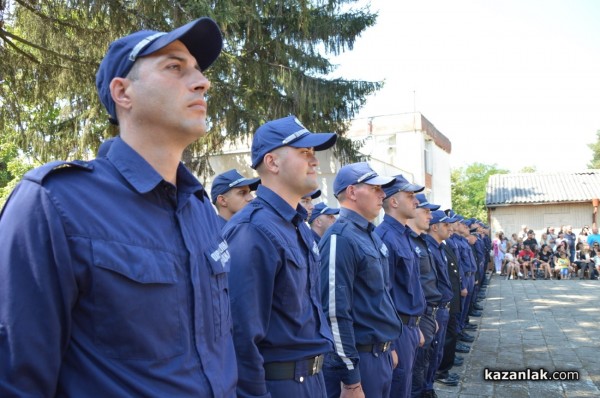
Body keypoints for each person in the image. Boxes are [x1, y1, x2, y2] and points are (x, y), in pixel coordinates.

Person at [0, 18, 238, 397]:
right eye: (175, 67)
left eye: (198, 71)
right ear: (123, 93)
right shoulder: (55, 202)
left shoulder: (201, 212)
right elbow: (16, 378)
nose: (201, 82)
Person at [222, 115, 336, 397]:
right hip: (279, 385)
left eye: (313, 153)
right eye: (304, 152)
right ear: (272, 162)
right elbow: (240, 335)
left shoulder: (296, 225)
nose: (314, 161)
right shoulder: (253, 229)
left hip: (311, 379)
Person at [319, 162, 402, 398]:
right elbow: (335, 313)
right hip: (361, 359)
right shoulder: (340, 237)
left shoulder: (369, 236)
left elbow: (380, 297)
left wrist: (390, 346)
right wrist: (352, 380)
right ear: (352, 192)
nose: (383, 194)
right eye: (375, 188)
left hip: (380, 354)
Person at [375, 175, 427, 397]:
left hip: (411, 327)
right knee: (398, 388)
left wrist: (418, 327)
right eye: (410, 196)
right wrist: (392, 344)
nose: (416, 201)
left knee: (406, 386)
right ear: (394, 202)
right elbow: (382, 294)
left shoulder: (404, 235)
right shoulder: (385, 236)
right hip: (398, 331)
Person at [407, 194, 443, 398]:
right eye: (426, 211)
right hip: (416, 317)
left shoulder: (421, 241)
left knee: (425, 361)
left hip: (428, 313)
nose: (430, 216)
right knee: (415, 369)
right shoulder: (404, 241)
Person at [424, 210, 461, 393]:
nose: (450, 227)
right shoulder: (429, 247)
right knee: (430, 355)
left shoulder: (438, 247)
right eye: (446, 225)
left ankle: (430, 386)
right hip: (434, 309)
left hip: (443, 307)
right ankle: (430, 384)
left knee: (437, 352)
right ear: (435, 227)